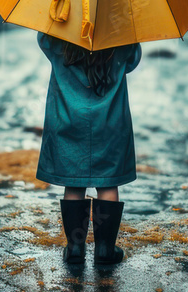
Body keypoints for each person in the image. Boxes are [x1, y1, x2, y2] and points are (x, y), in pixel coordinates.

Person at [36, 31, 142, 265]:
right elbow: (132, 60)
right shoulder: (121, 37)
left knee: (73, 183)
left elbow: (43, 40)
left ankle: (75, 248)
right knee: (108, 183)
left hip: (68, 119)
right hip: (110, 121)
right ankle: (105, 250)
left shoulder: (58, 40)